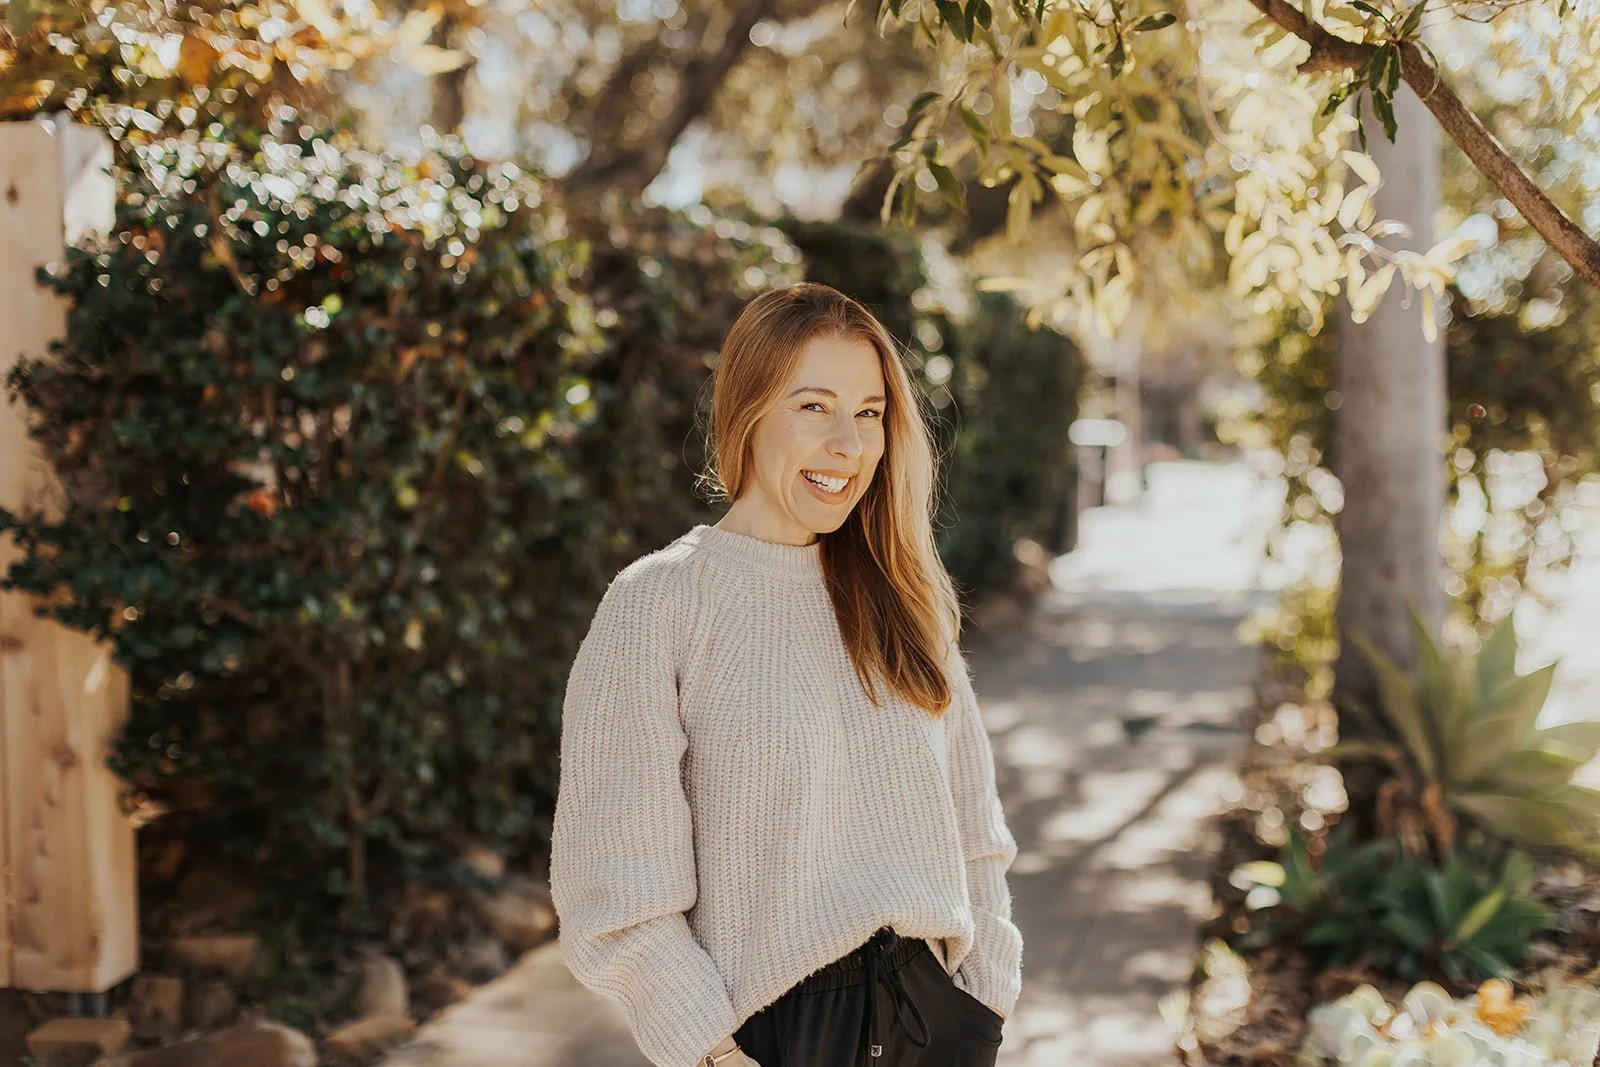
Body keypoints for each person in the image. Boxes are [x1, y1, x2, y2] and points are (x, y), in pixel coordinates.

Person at [549, 282, 1023, 1067]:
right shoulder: (656, 605)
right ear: (748, 412)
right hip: (769, 1039)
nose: (849, 444)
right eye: (814, 407)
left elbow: (974, 827)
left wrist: (986, 1001)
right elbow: (617, 893)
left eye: (869, 412)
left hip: (935, 1022)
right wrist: (715, 1055)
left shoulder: (901, 595)